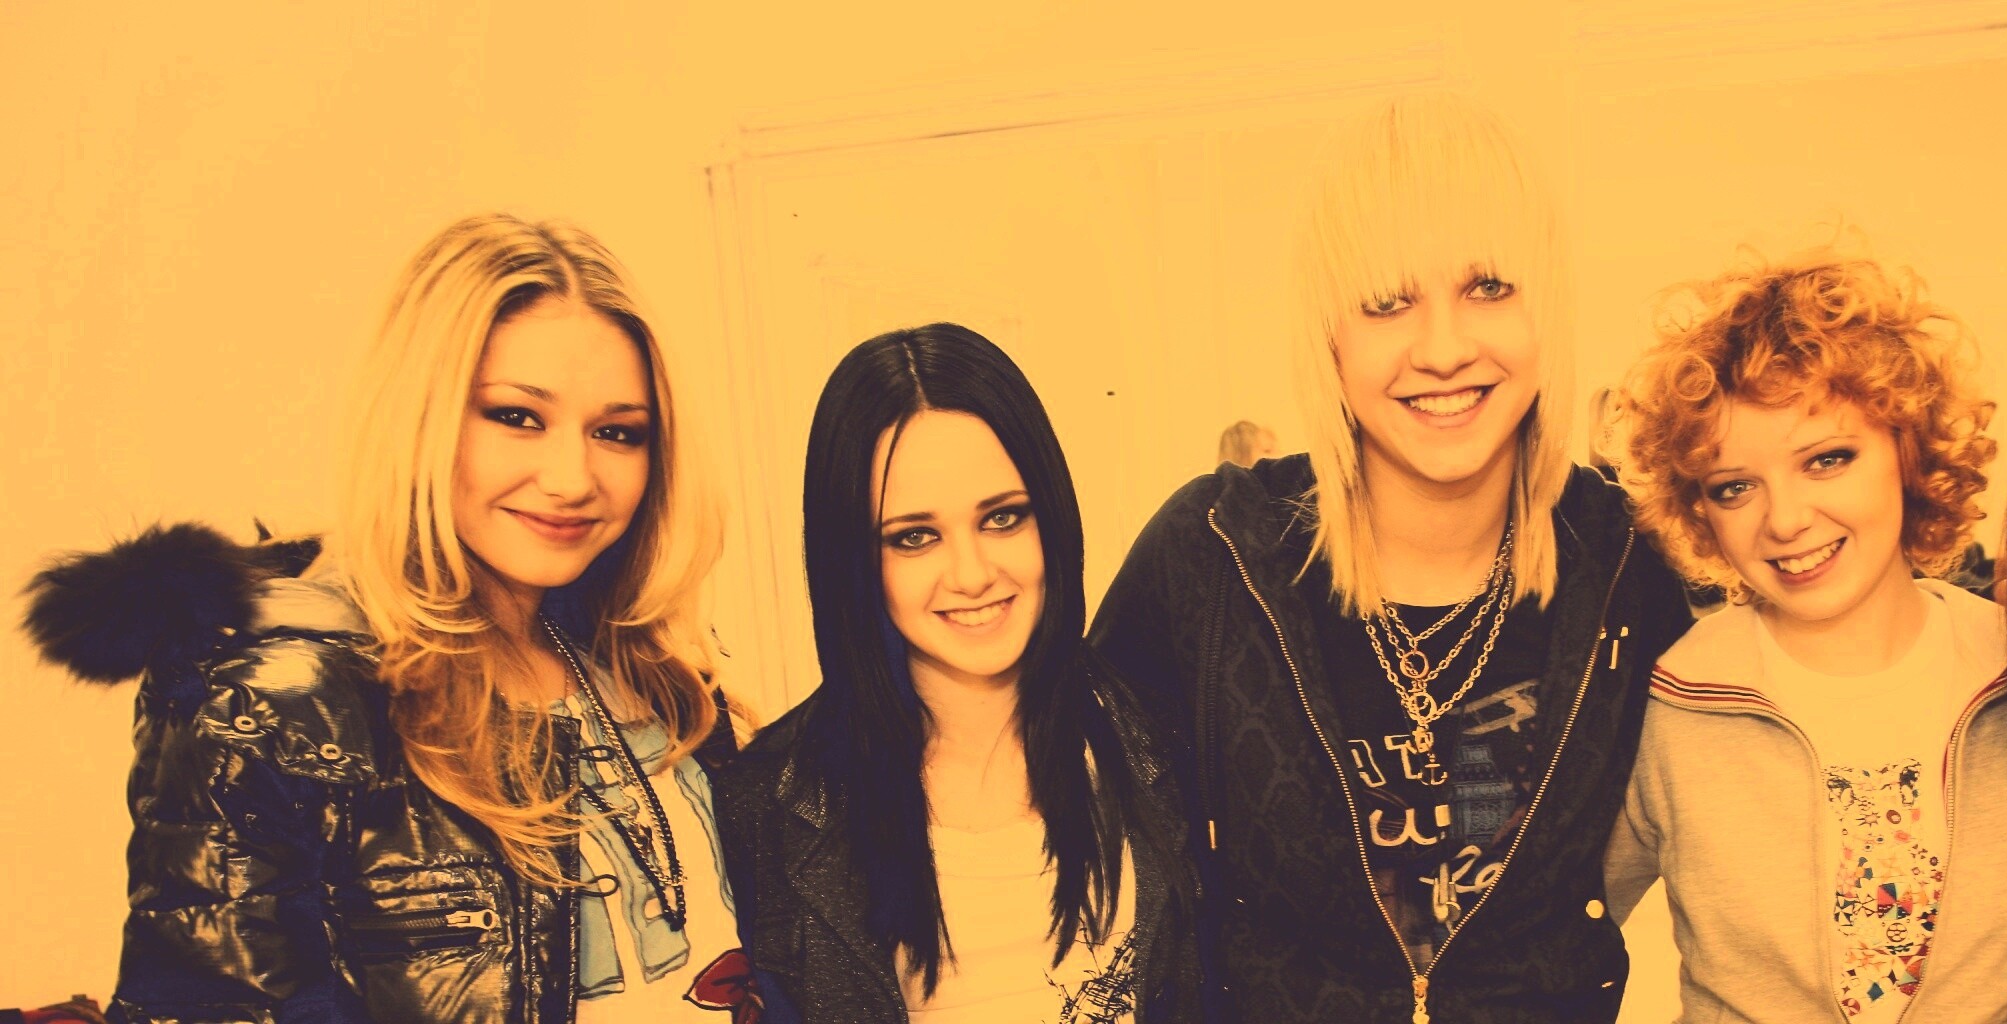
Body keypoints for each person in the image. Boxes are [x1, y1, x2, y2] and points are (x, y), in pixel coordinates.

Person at [22, 214, 747, 1022]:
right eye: (516, 416)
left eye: (617, 432)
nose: (574, 477)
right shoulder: (277, 702)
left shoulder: (659, 666)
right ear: (418, 418)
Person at [1090, 94, 1692, 1024]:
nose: (1443, 349)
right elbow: (1043, 802)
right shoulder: (1212, 555)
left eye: (1489, 287)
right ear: (1328, 334)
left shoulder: (1627, 565)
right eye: (1386, 302)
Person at [1602, 249, 2007, 1023]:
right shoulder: (1672, 698)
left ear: (1909, 449)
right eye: (1735, 487)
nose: (1785, 519)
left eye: (1826, 460)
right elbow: (1549, 932)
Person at [712, 324, 1195, 1021]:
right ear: (853, 560)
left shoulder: (1170, 740)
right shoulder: (763, 803)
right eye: (914, 537)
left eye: (1003, 518)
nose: (971, 574)